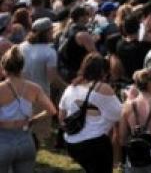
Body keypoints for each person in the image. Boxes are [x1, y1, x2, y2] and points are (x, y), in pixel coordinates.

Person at [58, 53, 123, 173]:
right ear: (104, 72)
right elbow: (120, 115)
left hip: (72, 143)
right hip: (94, 145)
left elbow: (61, 117)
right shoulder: (102, 88)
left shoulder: (71, 87)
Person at [0, 45, 57, 173]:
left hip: (3, 140)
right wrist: (33, 119)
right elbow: (51, 110)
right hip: (26, 139)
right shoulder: (34, 88)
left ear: (3, 68)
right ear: (22, 67)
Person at [18, 17, 64, 143]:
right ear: (46, 32)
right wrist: (65, 86)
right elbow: (52, 78)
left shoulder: (21, 47)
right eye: (51, 31)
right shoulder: (49, 52)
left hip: (21, 92)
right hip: (41, 94)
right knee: (38, 132)